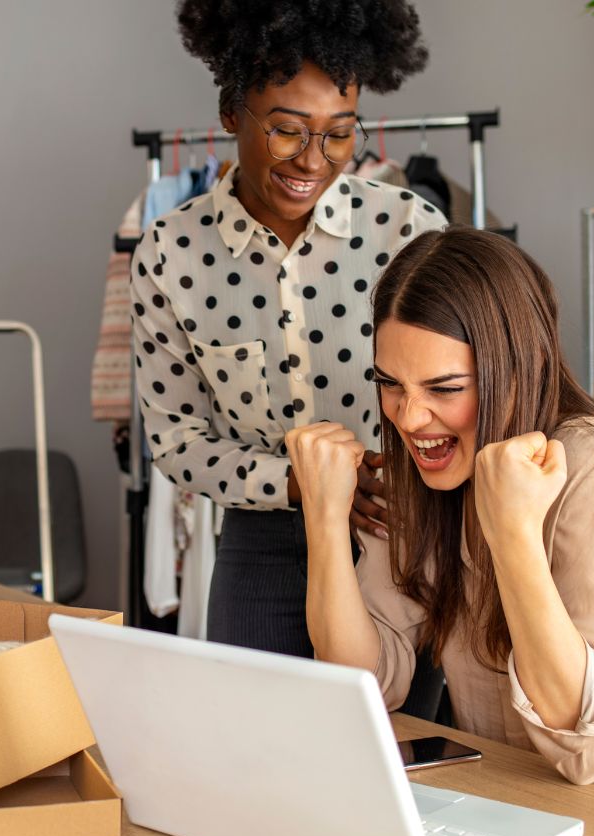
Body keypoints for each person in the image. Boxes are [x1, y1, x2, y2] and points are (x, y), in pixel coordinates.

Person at [287, 226, 594, 820]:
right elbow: (362, 685)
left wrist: (512, 534)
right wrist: (325, 521)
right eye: (390, 384)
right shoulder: (428, 473)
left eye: (445, 388)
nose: (410, 417)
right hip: (528, 816)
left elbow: (587, 744)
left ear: (516, 367)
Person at [131, 0, 444, 656]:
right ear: (230, 114)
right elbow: (175, 438)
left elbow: (462, 389)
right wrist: (301, 482)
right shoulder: (170, 253)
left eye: (338, 134)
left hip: (401, 535)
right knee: (258, 742)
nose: (313, 161)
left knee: (405, 749)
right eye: (287, 130)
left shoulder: (410, 231)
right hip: (262, 548)